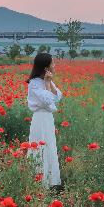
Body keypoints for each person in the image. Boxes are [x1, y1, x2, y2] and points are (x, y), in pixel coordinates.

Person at [25, 52, 63, 191]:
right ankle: (40, 183)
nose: (55, 65)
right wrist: (47, 83)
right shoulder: (34, 84)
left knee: (49, 147)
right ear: (45, 67)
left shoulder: (47, 81)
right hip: (40, 119)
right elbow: (48, 101)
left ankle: (50, 181)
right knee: (40, 148)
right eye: (53, 63)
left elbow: (58, 97)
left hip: (47, 118)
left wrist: (49, 83)